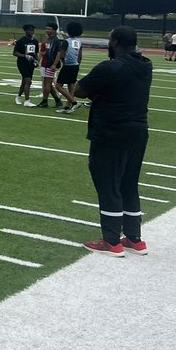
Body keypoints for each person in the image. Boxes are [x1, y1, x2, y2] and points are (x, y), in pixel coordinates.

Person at [73, 26, 152, 256]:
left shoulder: (110, 67)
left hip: (111, 131)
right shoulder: (145, 65)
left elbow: (79, 90)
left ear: (115, 42)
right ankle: (134, 239)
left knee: (109, 184)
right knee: (129, 183)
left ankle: (111, 241)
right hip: (138, 130)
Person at [55, 21, 85, 113]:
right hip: (75, 65)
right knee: (71, 86)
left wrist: (61, 62)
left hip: (68, 66)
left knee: (58, 86)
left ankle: (74, 102)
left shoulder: (66, 42)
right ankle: (68, 106)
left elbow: (62, 54)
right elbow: (80, 56)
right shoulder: (79, 41)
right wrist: (77, 64)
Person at [35, 22, 64, 108]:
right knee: (47, 83)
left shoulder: (56, 40)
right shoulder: (48, 39)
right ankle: (57, 100)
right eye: (46, 28)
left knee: (46, 83)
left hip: (50, 64)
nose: (46, 30)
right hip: (45, 63)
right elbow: (44, 52)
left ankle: (45, 101)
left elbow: (58, 53)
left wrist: (54, 64)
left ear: (54, 30)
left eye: (49, 29)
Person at [12, 23, 40, 106]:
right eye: (30, 30)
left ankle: (18, 96)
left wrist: (37, 61)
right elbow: (15, 53)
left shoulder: (35, 41)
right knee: (28, 81)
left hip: (31, 63)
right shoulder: (21, 41)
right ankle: (27, 101)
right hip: (22, 63)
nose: (32, 32)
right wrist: (24, 56)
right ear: (26, 31)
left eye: (33, 30)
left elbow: (36, 53)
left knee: (24, 82)